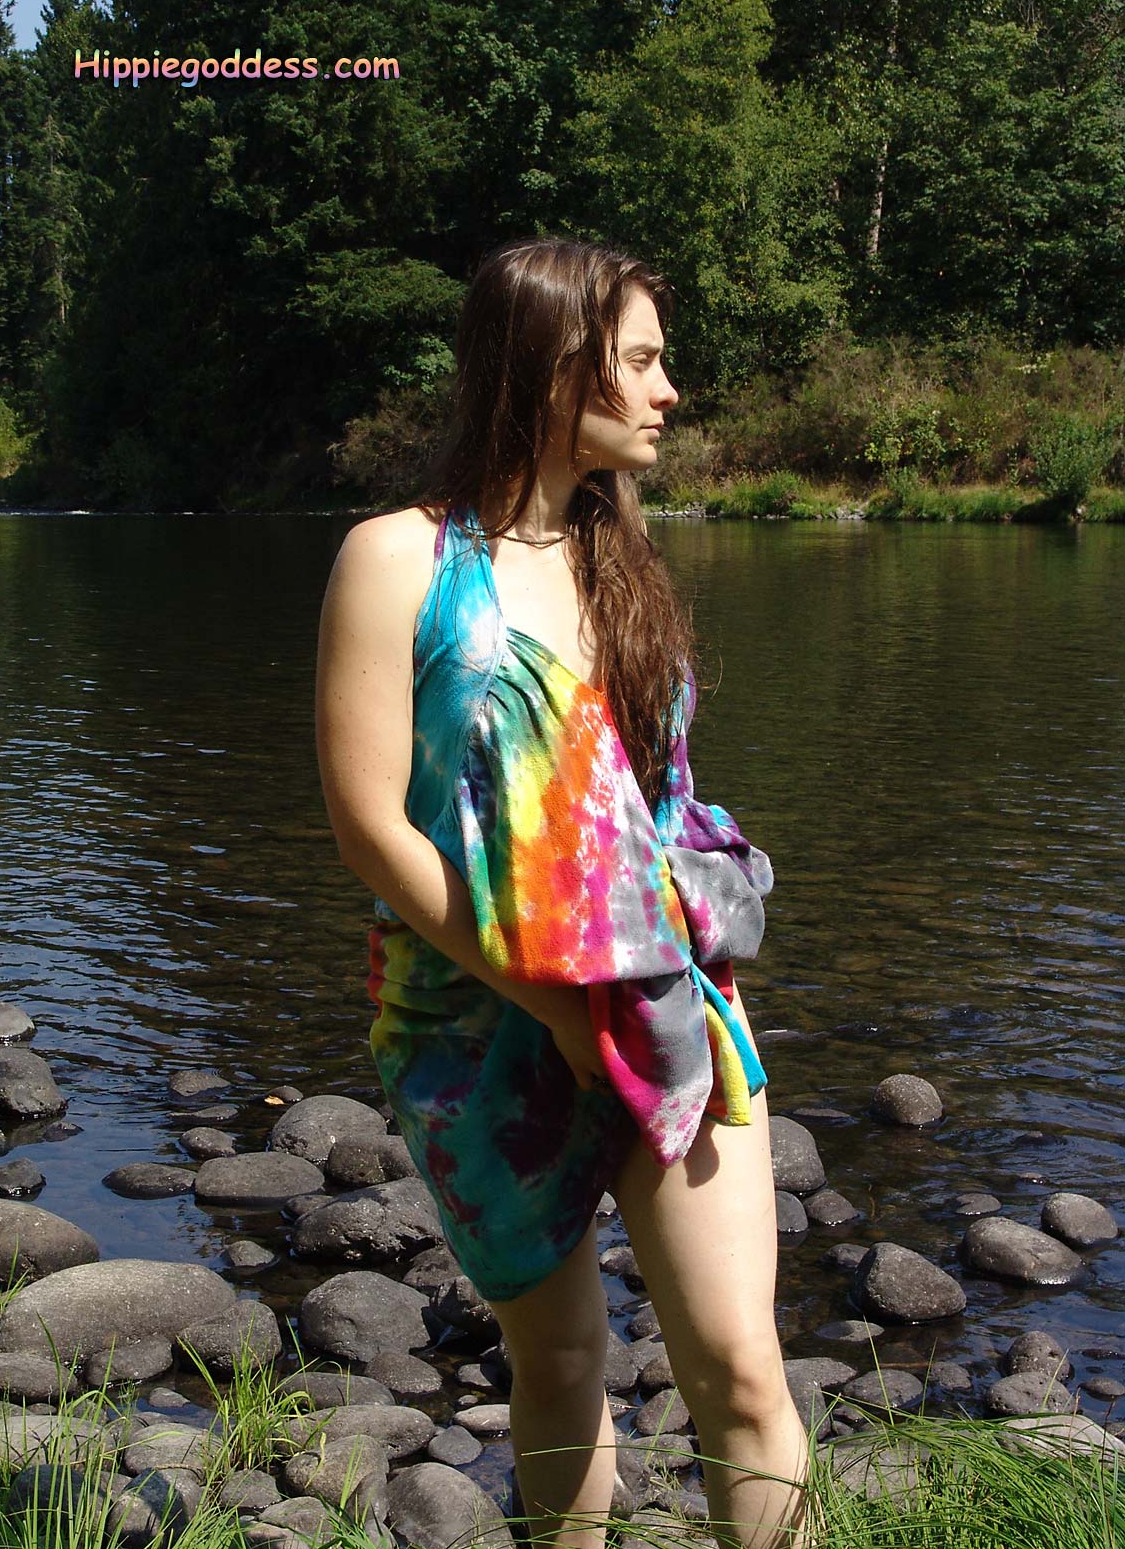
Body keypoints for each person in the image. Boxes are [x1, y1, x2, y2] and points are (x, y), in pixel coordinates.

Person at [315, 236, 817, 1549]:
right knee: (561, 1363)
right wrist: (545, 1001)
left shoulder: (618, 552)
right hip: (471, 1018)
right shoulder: (397, 560)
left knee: (743, 1371)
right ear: (552, 366)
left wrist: (656, 968)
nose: (667, 391)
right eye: (639, 361)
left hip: (660, 1002)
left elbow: (652, 795)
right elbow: (372, 827)